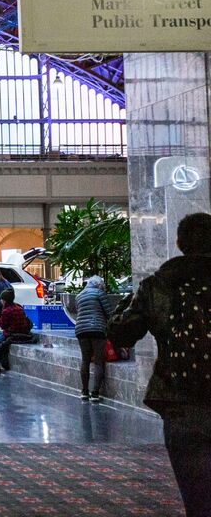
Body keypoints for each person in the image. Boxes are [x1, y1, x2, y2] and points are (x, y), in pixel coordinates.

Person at [110, 212, 211, 517]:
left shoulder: (160, 285)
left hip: (182, 402)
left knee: (199, 500)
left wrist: (122, 307)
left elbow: (123, 335)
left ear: (179, 243)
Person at [75, 275, 111, 402]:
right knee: (98, 361)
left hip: (81, 330)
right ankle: (95, 393)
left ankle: (84, 391)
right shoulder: (99, 294)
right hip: (97, 330)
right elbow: (109, 313)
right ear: (99, 285)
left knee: (85, 360)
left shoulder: (79, 296)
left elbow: (78, 312)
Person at [0, 289, 32, 372]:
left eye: (1, 299)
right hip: (22, 332)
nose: (0, 301)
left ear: (4, 300)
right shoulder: (19, 307)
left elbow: (3, 326)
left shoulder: (6, 311)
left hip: (12, 334)